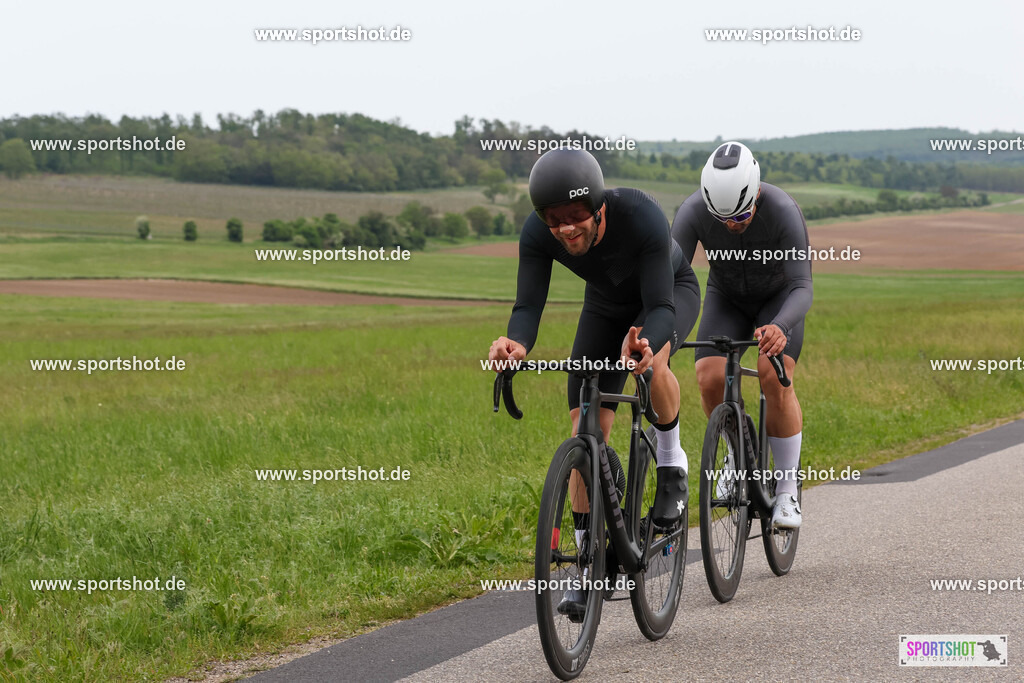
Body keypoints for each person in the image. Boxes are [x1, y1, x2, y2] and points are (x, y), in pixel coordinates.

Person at [487, 149, 700, 616]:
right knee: (583, 432)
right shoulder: (537, 235)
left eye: (576, 216)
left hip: (665, 296)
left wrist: (645, 344)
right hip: (604, 308)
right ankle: (588, 563)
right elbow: (527, 308)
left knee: (656, 361)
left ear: (599, 207)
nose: (565, 228)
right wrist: (517, 345)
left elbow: (662, 308)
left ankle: (671, 463)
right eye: (554, 218)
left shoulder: (640, 214)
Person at [672, 141, 812, 529]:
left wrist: (781, 327)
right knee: (709, 378)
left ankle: (786, 492)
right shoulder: (691, 212)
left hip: (779, 300)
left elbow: (803, 286)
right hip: (727, 298)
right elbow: (669, 280)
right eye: (723, 219)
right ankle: (736, 453)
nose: (733, 225)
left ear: (757, 192)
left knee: (773, 375)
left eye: (743, 214)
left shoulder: (783, 211)